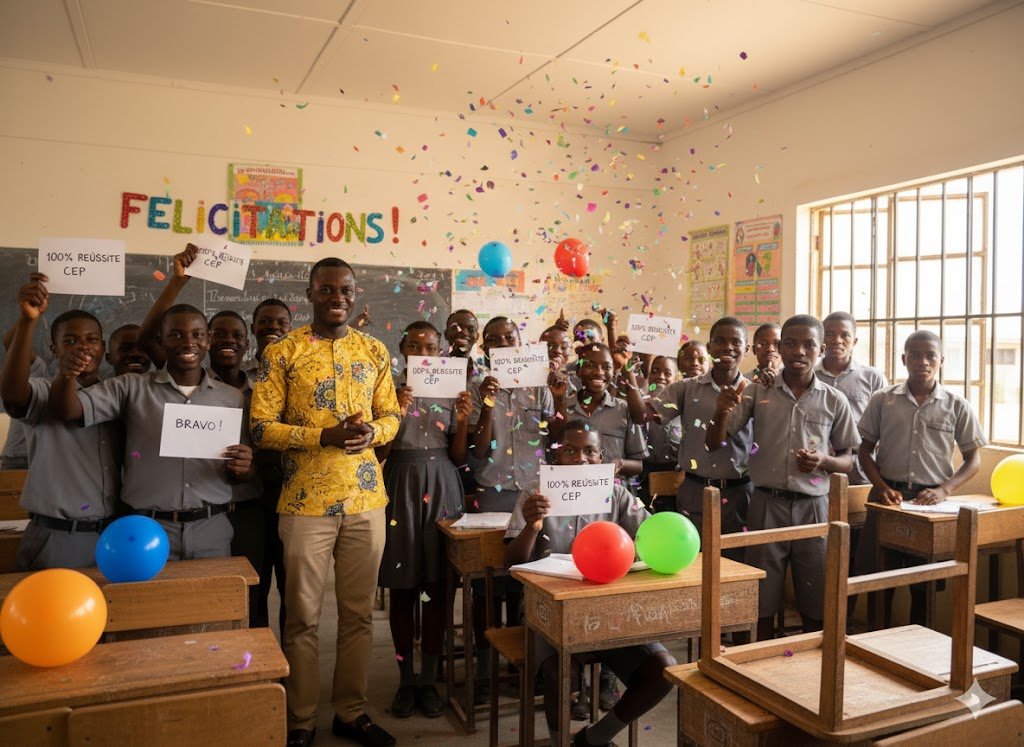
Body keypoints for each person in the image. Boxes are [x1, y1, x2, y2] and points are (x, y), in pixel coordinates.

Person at [249, 257, 401, 747]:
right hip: (304, 504)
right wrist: (324, 437)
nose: (338, 296)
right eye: (327, 289)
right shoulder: (283, 352)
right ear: (310, 293)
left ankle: (351, 713)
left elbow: (391, 415)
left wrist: (372, 433)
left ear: (355, 294)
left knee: (358, 615)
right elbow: (261, 428)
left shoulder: (374, 350)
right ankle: (299, 719)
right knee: (302, 616)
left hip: (365, 499)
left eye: (346, 289)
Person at [504, 421, 676, 746]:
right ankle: (559, 742)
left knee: (663, 669)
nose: (580, 458)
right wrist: (531, 526)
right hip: (549, 610)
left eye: (589, 451)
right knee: (559, 672)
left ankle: (594, 739)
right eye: (570, 450)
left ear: (600, 458)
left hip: (607, 610)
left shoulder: (618, 495)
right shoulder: (536, 494)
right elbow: (510, 564)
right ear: (558, 454)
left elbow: (652, 539)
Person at [50, 300, 254, 560]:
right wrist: (67, 375)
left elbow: (242, 471)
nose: (188, 342)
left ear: (208, 341)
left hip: (211, 527)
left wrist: (245, 467)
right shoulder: (130, 388)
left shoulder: (233, 398)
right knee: (149, 599)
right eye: (175, 335)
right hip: (147, 528)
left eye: (197, 335)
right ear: (160, 341)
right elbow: (69, 411)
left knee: (211, 600)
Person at [706, 314, 858, 641]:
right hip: (765, 505)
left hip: (814, 509)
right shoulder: (755, 392)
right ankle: (757, 665)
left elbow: (849, 460)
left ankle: (810, 667)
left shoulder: (834, 400)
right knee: (761, 598)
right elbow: (714, 442)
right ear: (780, 348)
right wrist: (720, 410)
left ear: (820, 350)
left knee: (815, 598)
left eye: (808, 345)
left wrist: (824, 460)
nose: (798, 351)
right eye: (789, 343)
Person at [856, 330, 984, 626]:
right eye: (915, 354)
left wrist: (944, 490)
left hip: (929, 506)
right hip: (887, 500)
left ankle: (917, 655)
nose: (922, 361)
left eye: (930, 356)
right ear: (904, 359)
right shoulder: (883, 400)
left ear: (941, 360)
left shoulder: (956, 404)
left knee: (923, 585)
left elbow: (973, 459)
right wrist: (882, 487)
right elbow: (864, 451)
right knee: (879, 581)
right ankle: (876, 646)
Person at [376, 321, 471, 719]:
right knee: (402, 588)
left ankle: (429, 679)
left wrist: (463, 419)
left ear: (440, 350)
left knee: (436, 587)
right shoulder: (385, 388)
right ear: (402, 349)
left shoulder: (452, 389)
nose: (422, 352)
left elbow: (460, 456)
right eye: (414, 345)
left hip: (442, 485)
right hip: (399, 483)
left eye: (429, 346)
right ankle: (405, 679)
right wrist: (395, 410)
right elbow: (379, 451)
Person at [0, 274, 121, 569]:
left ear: (104, 348)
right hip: (57, 537)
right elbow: (15, 395)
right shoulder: (43, 390)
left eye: (91, 339)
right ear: (54, 350)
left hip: (112, 536)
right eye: (70, 340)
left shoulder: (116, 393)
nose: (83, 347)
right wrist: (29, 320)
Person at [567, 341, 647, 709]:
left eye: (605, 367)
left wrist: (616, 468)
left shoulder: (623, 411)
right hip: (568, 509)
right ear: (577, 368)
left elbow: (639, 462)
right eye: (589, 365)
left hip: (611, 506)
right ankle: (577, 680)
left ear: (613, 372)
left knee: (608, 587)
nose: (597, 372)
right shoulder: (562, 404)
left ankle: (608, 677)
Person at [651, 318, 753, 558]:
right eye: (720, 341)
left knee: (736, 562)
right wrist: (631, 373)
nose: (727, 347)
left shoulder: (756, 391)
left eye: (735, 342)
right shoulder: (686, 388)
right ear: (709, 347)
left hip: (739, 492)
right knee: (692, 559)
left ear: (746, 349)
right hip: (695, 489)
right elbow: (646, 416)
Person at [247, 296, 293, 632]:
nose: (272, 328)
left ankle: (290, 669)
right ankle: (260, 668)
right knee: (254, 586)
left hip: (292, 494)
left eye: (280, 323)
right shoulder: (239, 377)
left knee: (293, 590)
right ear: (253, 328)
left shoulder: (301, 375)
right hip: (250, 496)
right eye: (264, 322)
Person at [814, 312, 887, 486]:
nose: (837, 340)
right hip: (817, 464)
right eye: (830, 334)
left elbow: (885, 424)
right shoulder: (810, 376)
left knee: (856, 511)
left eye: (845, 335)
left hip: (860, 466)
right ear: (821, 340)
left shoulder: (872, 378)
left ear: (854, 342)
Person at [637, 355, 681, 509]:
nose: (660, 376)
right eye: (655, 371)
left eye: (667, 373)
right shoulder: (639, 403)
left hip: (675, 477)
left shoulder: (683, 406)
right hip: (643, 475)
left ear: (676, 377)